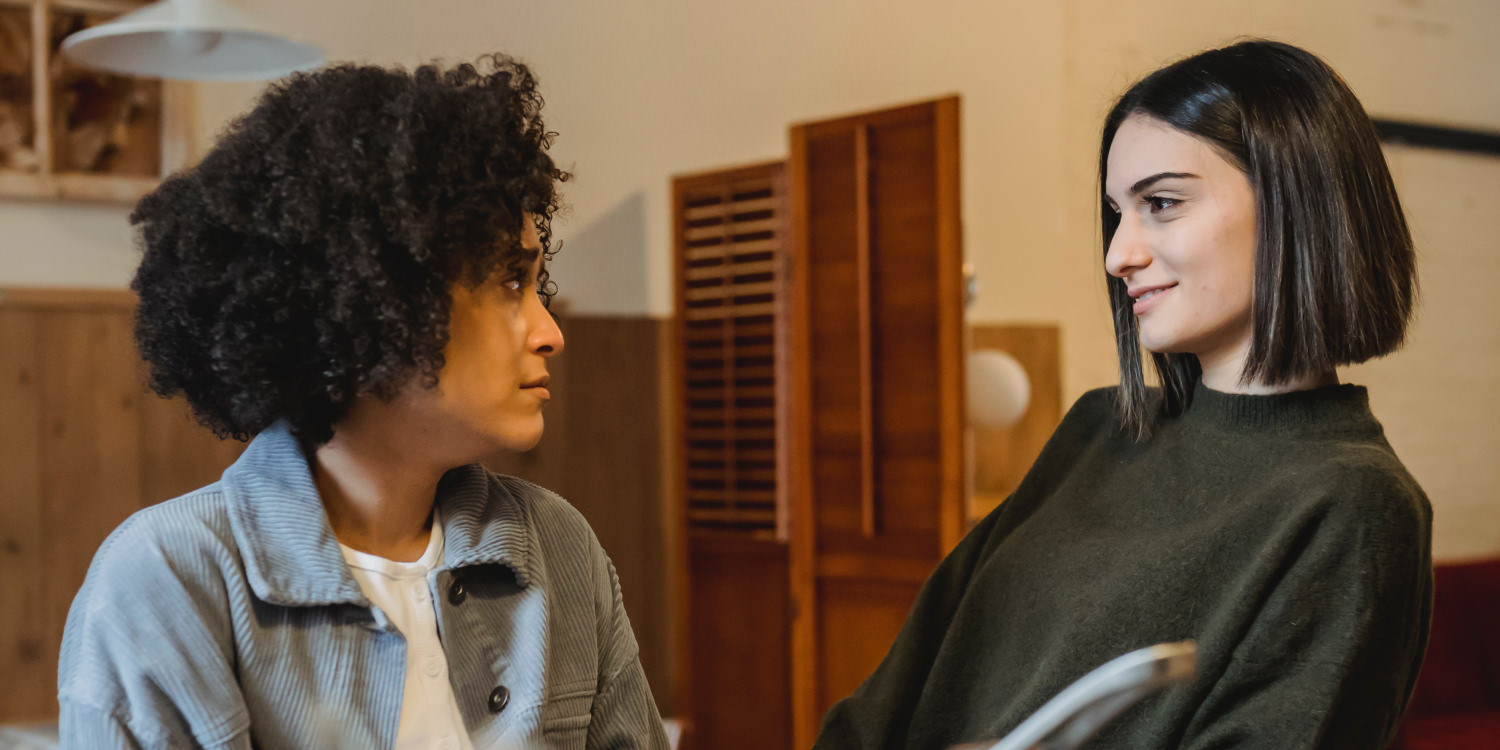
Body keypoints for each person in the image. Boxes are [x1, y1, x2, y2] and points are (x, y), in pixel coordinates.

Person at [813, 40, 1432, 749]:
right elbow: (900, 685)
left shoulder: (1354, 504)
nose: (1117, 255)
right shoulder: (1097, 430)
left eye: (1161, 204)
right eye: (1116, 213)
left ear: (1297, 199)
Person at [57, 55, 669, 749]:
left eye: (537, 286)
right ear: (381, 301)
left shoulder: (558, 549)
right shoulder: (169, 580)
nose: (550, 333)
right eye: (508, 283)